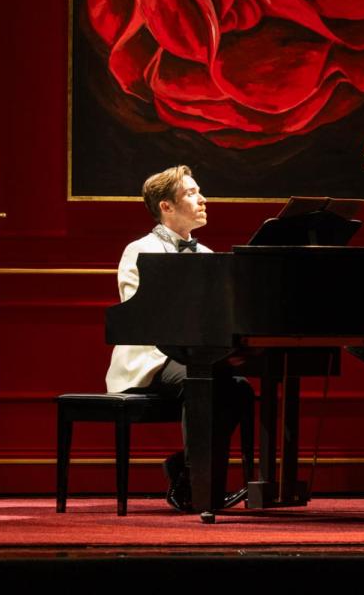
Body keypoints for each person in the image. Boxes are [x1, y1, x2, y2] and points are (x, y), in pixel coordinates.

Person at [105, 165, 252, 513]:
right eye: (190, 193)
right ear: (166, 206)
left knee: (239, 387)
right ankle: (200, 485)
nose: (202, 199)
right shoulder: (138, 250)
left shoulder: (207, 256)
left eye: (199, 191)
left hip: (195, 357)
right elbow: (139, 316)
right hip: (150, 360)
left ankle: (187, 470)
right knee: (198, 378)